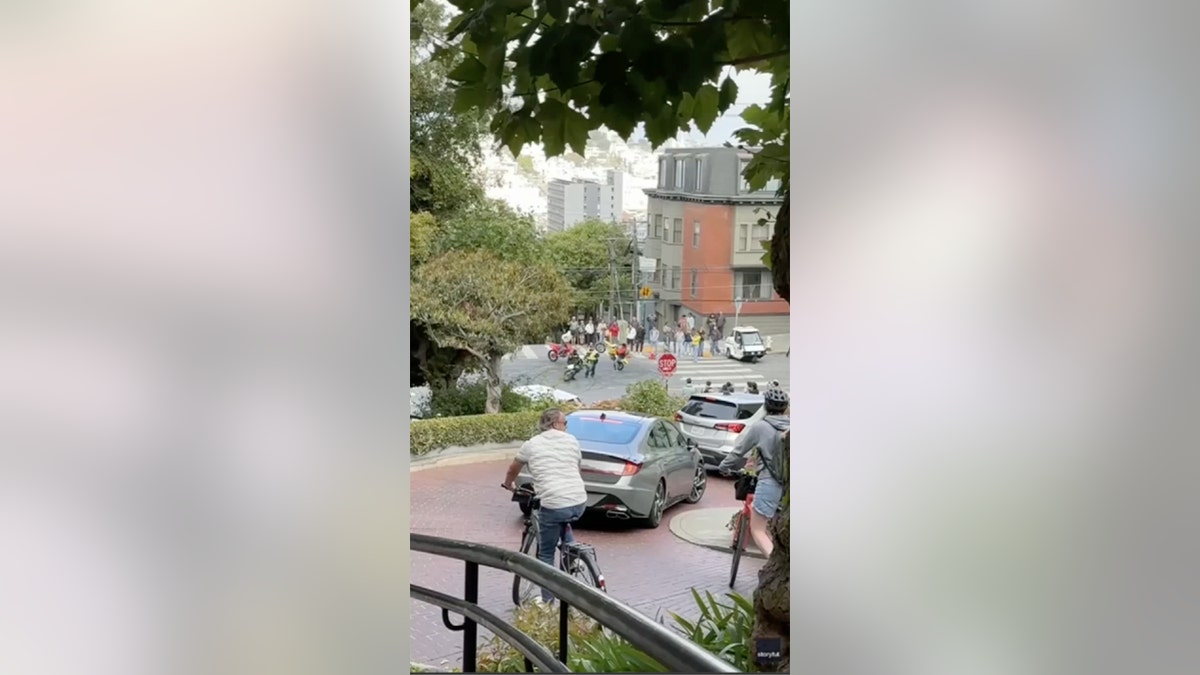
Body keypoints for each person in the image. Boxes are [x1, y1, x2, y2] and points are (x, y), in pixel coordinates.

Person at [502, 408, 587, 603]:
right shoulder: (572, 440)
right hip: (579, 500)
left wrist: (509, 484)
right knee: (563, 519)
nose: (566, 427)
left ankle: (548, 602)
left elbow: (513, 467)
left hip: (554, 501)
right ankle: (573, 556)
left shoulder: (532, 444)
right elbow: (576, 466)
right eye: (565, 423)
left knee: (546, 554)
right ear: (556, 424)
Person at [718, 387, 790, 557]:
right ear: (786, 407)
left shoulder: (760, 427)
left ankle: (775, 563)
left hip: (769, 482)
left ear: (765, 407)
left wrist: (724, 467)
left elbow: (738, 452)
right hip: (791, 485)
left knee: (758, 529)